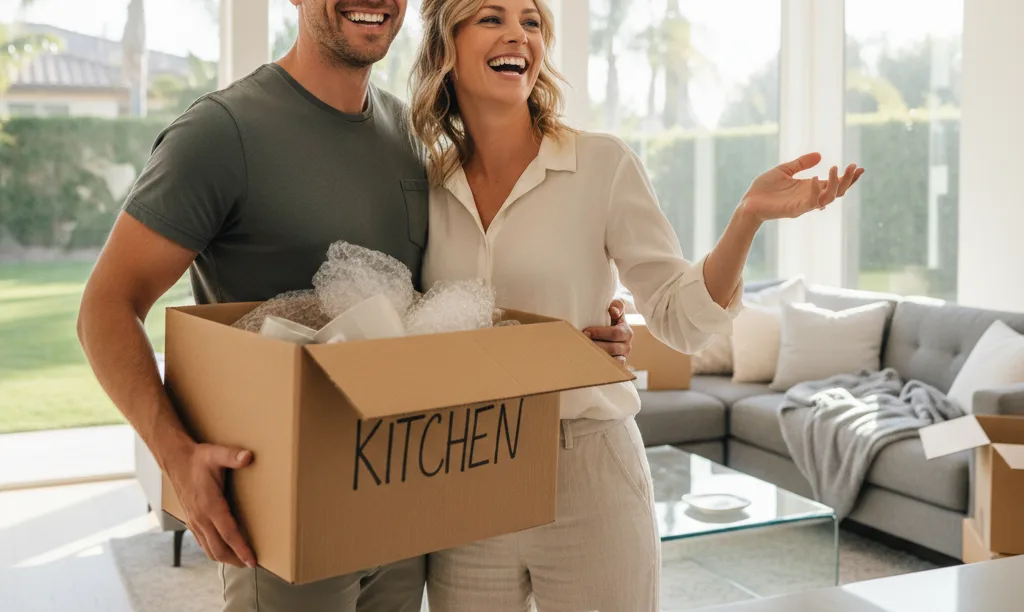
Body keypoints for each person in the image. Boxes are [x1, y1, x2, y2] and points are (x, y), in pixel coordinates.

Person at [75, 1, 632, 610]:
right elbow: (105, 306)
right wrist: (174, 456)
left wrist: (566, 338)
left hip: (403, 509)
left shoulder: (411, 140)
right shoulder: (220, 133)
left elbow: (449, 298)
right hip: (281, 517)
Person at [408, 0, 865, 610]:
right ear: (446, 43)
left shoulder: (600, 164)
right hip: (466, 474)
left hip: (586, 468)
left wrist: (747, 218)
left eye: (532, 21)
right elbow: (408, 328)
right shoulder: (426, 185)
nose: (518, 33)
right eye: (491, 17)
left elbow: (680, 319)